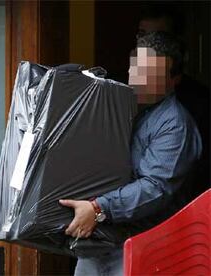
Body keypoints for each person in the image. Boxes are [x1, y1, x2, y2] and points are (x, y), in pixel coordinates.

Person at [60, 31, 202, 275]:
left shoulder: (175, 124)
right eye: (138, 69)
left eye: (152, 75)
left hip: (143, 245)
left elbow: (155, 187)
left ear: (174, 79)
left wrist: (98, 208)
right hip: (98, 242)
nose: (140, 79)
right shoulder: (118, 108)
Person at [137, 5, 210, 199]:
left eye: (158, 37)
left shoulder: (193, 108)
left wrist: (99, 207)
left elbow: (156, 188)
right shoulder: (121, 93)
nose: (149, 44)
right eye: (143, 34)